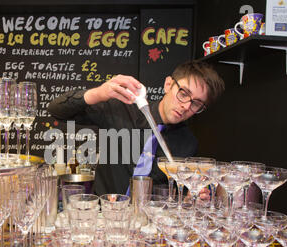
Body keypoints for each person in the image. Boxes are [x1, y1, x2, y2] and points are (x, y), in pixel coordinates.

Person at [48, 60, 225, 197]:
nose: (186, 106)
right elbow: (56, 110)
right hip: (103, 215)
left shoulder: (188, 144)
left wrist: (192, 197)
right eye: (184, 93)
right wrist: (99, 93)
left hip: (148, 228)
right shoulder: (121, 110)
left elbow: (178, 196)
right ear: (168, 85)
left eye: (196, 104)